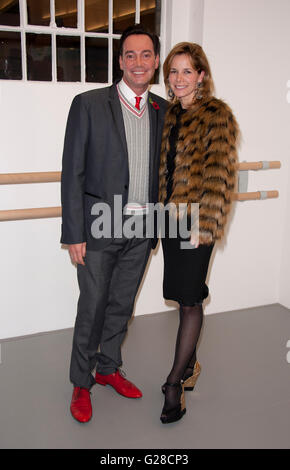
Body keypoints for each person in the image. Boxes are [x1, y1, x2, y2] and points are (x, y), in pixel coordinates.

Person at [61, 24, 167, 423]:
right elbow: (72, 171)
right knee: (93, 307)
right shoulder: (88, 104)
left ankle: (107, 368)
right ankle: (80, 382)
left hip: (143, 228)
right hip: (99, 227)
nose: (138, 62)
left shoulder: (162, 109)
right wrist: (73, 231)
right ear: (120, 61)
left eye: (145, 55)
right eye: (129, 55)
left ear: (155, 61)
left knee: (122, 305)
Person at [158, 42, 239, 424]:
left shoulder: (216, 115)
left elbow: (220, 176)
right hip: (171, 221)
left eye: (187, 71)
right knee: (180, 295)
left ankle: (174, 382)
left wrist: (205, 228)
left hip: (196, 224)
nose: (179, 79)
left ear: (201, 75)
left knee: (190, 300)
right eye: (174, 71)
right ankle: (190, 367)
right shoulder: (171, 113)